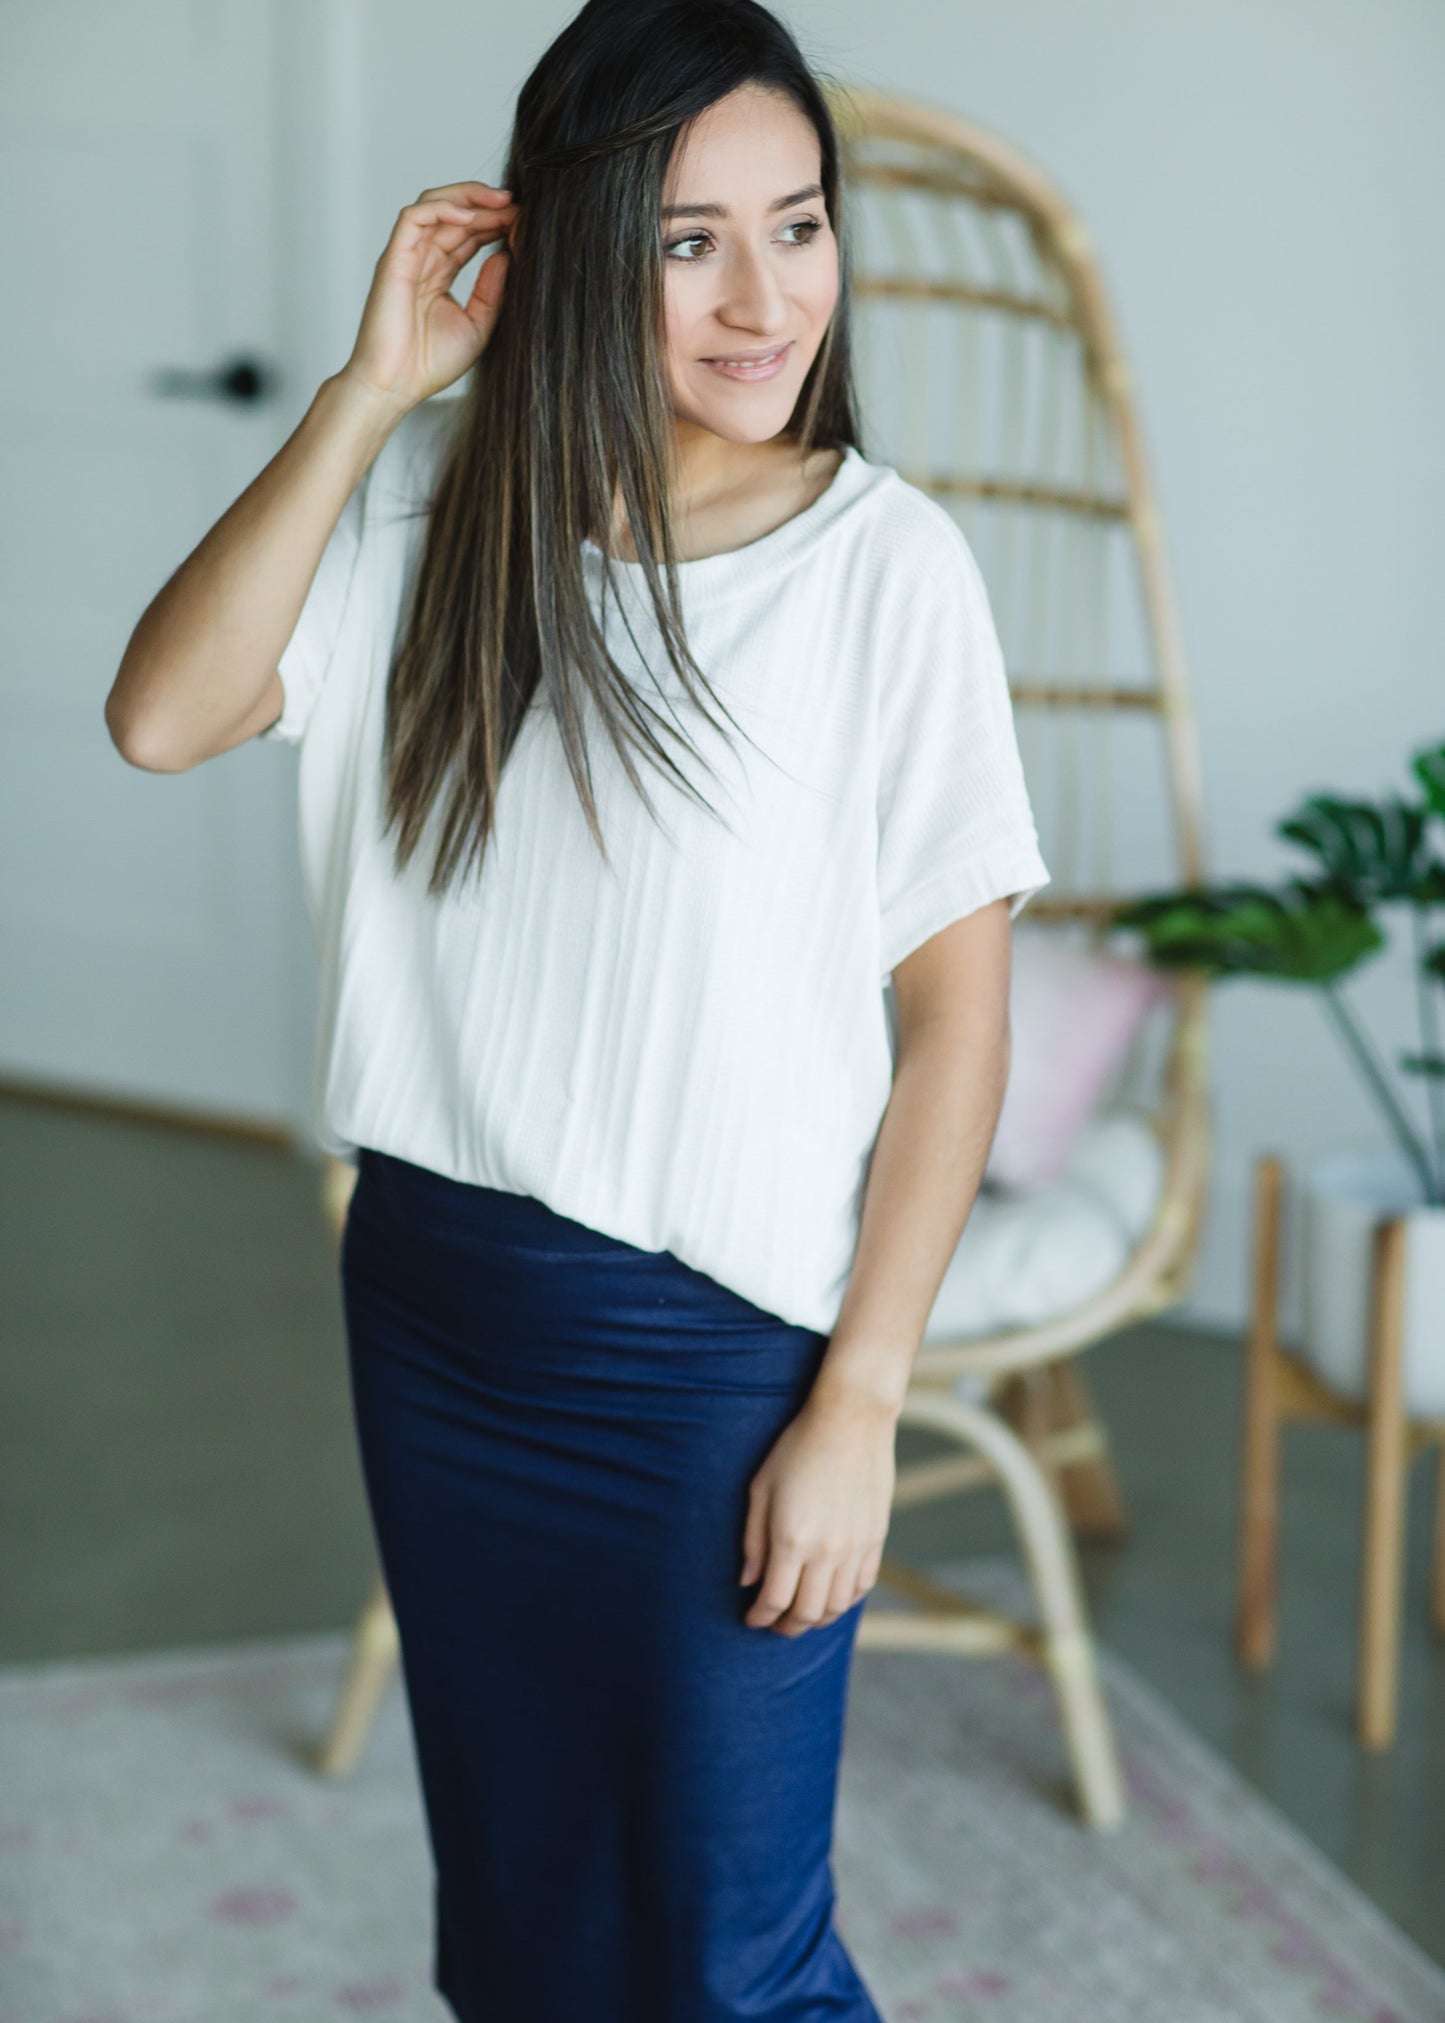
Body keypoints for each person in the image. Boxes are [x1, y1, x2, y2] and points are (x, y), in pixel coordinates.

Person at [105, 0, 1050, 2014]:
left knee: (732, 1953)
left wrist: (863, 1400)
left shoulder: (887, 570)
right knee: (530, 1930)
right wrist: (370, 390)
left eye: (796, 225)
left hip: (715, 1352)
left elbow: (959, 1024)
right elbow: (164, 713)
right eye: (686, 237)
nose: (761, 295)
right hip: (437, 1305)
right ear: (560, 245)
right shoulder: (437, 506)